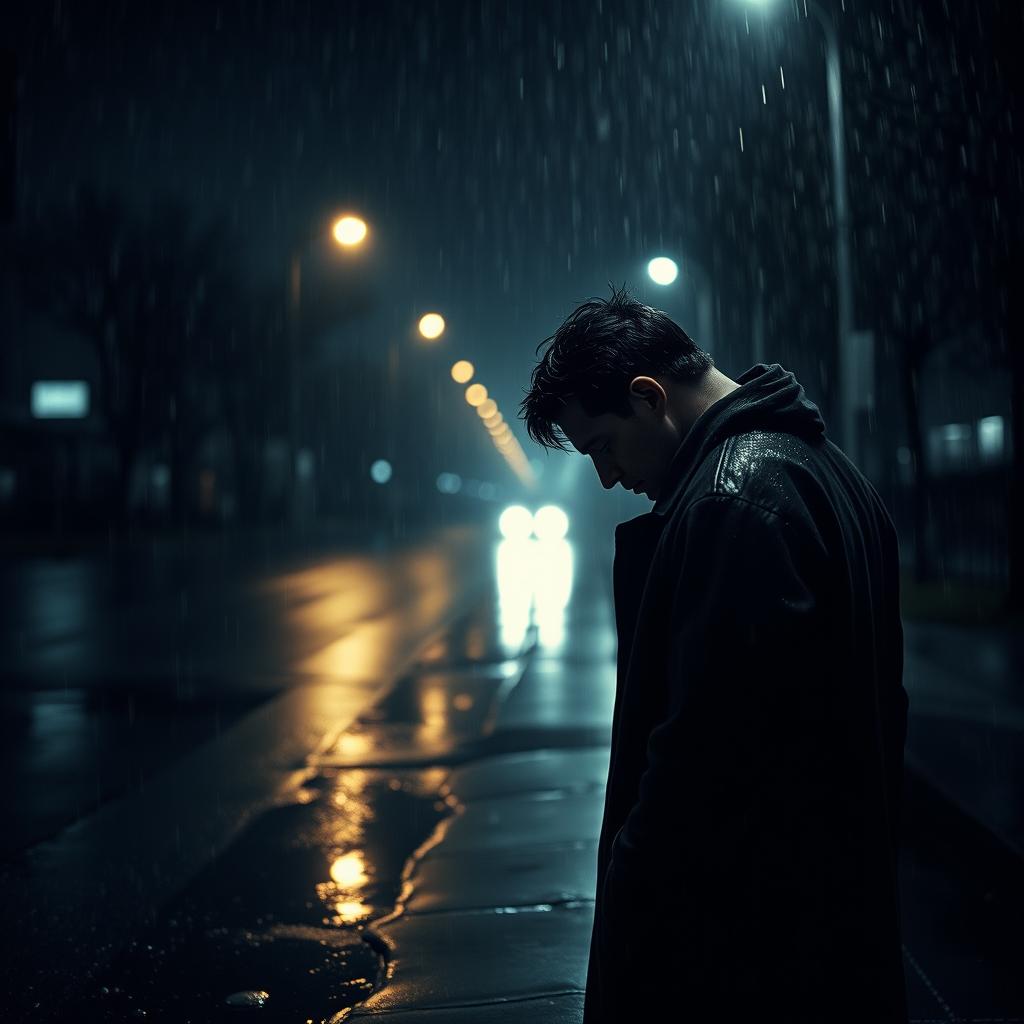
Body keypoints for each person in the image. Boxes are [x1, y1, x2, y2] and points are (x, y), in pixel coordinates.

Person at [518, 286, 909, 1022]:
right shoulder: (829, 470)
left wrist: (633, 909)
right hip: (829, 923)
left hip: (752, 955)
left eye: (602, 445)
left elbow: (701, 768)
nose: (606, 478)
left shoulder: (734, 500)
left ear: (647, 396)